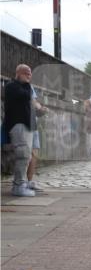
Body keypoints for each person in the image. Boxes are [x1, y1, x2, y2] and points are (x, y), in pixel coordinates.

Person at [3, 64, 37, 197]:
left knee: (26, 155)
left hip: (26, 126)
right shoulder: (12, 86)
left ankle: (21, 183)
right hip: (18, 125)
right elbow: (24, 96)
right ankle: (18, 186)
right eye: (25, 73)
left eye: (30, 73)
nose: (29, 75)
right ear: (18, 73)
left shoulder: (23, 87)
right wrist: (27, 84)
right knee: (22, 155)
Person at [26, 85, 48, 191]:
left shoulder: (26, 86)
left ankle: (28, 181)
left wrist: (40, 109)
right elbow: (33, 102)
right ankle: (25, 181)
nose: (29, 75)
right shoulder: (25, 86)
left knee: (33, 151)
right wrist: (40, 107)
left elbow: (34, 102)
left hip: (31, 123)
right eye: (27, 73)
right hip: (26, 124)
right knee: (29, 152)